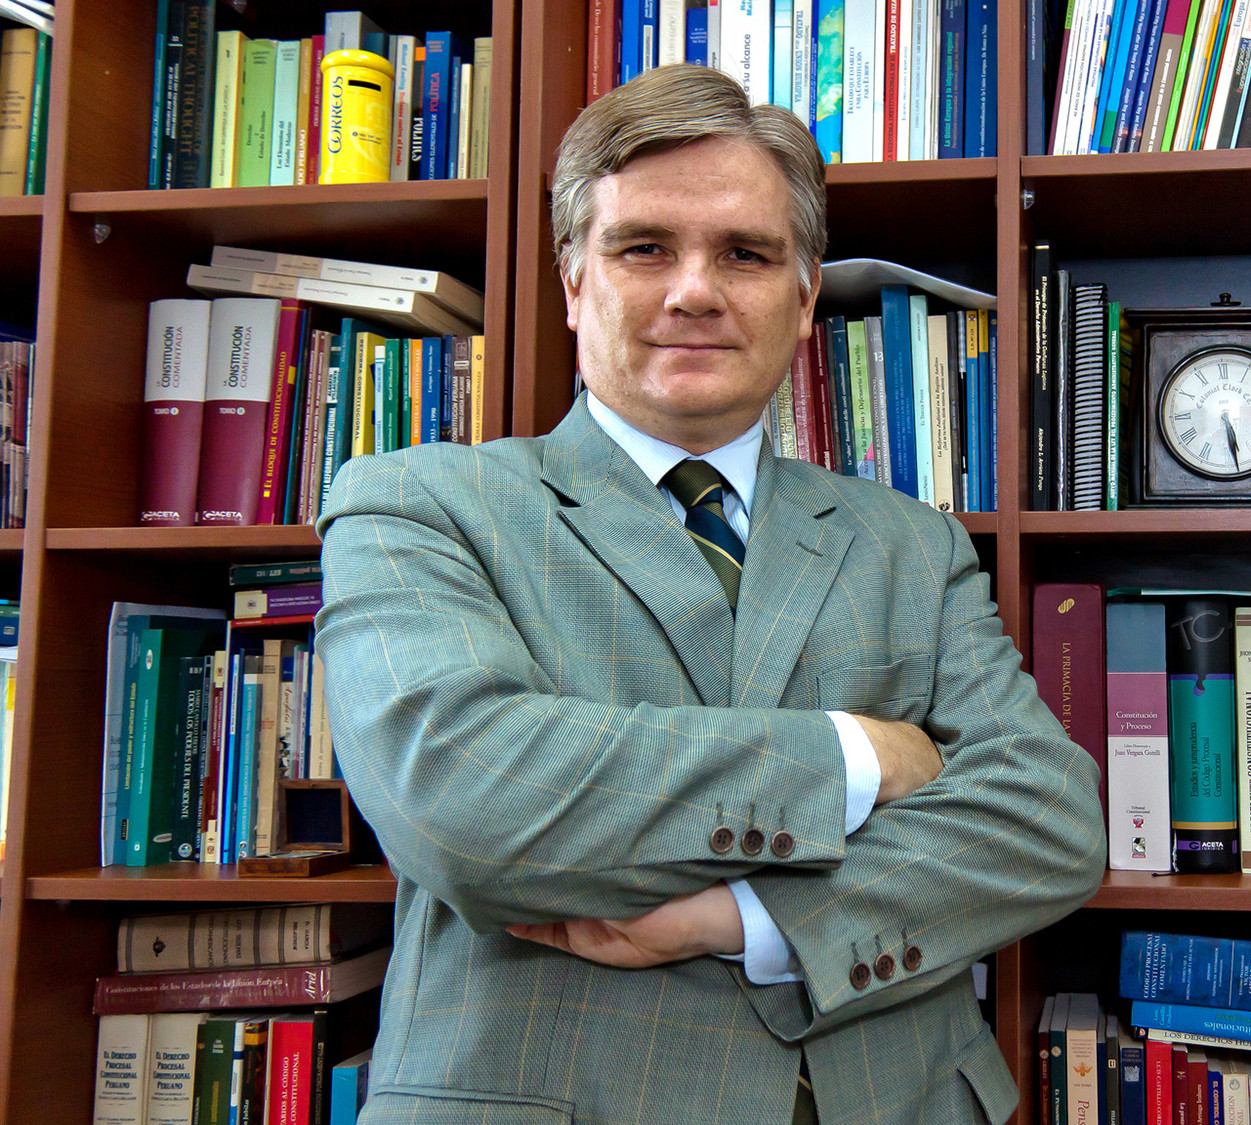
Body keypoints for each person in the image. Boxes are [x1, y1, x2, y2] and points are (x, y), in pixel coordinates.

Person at [314, 63, 1106, 1125]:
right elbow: (460, 797)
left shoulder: (911, 544)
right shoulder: (418, 504)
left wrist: (744, 917)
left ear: (804, 297)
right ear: (573, 285)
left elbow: (1047, 821)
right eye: (643, 248)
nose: (694, 289)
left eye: (745, 253)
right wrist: (860, 758)